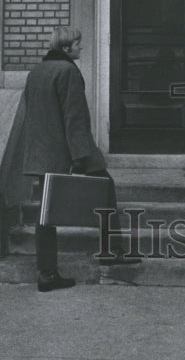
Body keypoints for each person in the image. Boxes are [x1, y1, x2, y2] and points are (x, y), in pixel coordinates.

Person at [21, 25, 141, 292]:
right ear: (66, 48)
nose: (81, 47)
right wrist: (81, 157)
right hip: (70, 150)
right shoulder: (68, 72)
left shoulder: (36, 73)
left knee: (45, 215)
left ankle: (46, 272)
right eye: (78, 43)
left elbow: (31, 112)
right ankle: (112, 250)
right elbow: (74, 118)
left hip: (42, 153)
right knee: (106, 190)